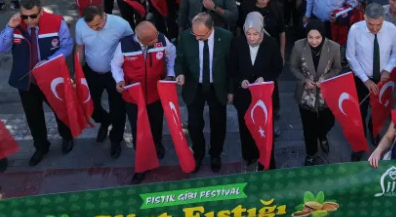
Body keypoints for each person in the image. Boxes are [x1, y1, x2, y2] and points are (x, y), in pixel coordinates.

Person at [0, 0, 74, 167]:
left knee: (60, 110)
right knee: (33, 117)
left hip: (51, 79)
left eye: (33, 16)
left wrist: (49, 61)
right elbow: (0, 48)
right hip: (27, 81)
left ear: (41, 12)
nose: (29, 20)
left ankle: (67, 137)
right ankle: (41, 146)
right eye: (25, 16)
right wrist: (10, 27)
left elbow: (67, 46)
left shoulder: (57, 23)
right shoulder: (15, 25)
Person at [112, 21, 176, 183]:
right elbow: (115, 65)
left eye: (156, 36)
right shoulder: (124, 45)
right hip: (134, 97)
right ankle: (142, 162)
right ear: (140, 39)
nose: (156, 40)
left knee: (156, 123)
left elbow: (172, 54)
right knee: (138, 129)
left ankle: (157, 144)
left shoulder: (162, 39)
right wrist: (119, 80)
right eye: (151, 39)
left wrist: (170, 74)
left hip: (156, 94)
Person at [174, 13, 233, 172]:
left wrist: (231, 90)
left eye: (201, 35)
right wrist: (180, 73)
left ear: (211, 29)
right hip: (194, 86)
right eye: (195, 34)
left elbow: (231, 66)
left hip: (217, 86)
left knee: (218, 122)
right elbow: (179, 60)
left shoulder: (226, 37)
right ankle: (198, 154)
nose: (197, 38)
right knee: (194, 124)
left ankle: (215, 154)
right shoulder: (186, 37)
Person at [346, 3, 396, 159]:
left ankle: (374, 130)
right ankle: (359, 143)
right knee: (360, 111)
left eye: (378, 24)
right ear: (365, 17)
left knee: (379, 109)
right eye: (370, 24)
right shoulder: (355, 30)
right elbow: (351, 56)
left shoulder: (391, 29)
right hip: (362, 78)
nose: (375, 28)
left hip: (383, 78)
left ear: (383, 19)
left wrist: (388, 69)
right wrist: (365, 80)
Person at [76, 5, 134, 155]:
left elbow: (131, 47)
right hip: (91, 71)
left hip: (115, 74)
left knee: (118, 109)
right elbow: (80, 48)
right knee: (89, 104)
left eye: (98, 24)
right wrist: (77, 72)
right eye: (91, 26)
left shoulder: (121, 25)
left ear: (104, 15)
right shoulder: (80, 25)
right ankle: (104, 120)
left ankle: (116, 139)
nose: (95, 28)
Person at [231, 13, 283, 170]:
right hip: (244, 95)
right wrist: (241, 81)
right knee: (245, 125)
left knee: (266, 128)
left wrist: (264, 78)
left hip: (265, 96)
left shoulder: (271, 43)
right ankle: (249, 155)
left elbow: (278, 67)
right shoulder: (238, 43)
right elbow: (232, 68)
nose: (252, 38)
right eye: (248, 34)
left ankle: (267, 158)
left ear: (261, 31)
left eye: (255, 34)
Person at [290, 20, 342, 166]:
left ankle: (322, 136)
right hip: (306, 95)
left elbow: (337, 68)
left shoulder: (334, 47)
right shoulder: (298, 46)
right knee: (308, 127)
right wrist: (304, 80)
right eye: (310, 37)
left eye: (318, 37)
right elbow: (293, 67)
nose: (314, 41)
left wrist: (326, 78)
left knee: (328, 122)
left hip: (326, 95)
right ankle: (311, 153)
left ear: (323, 36)